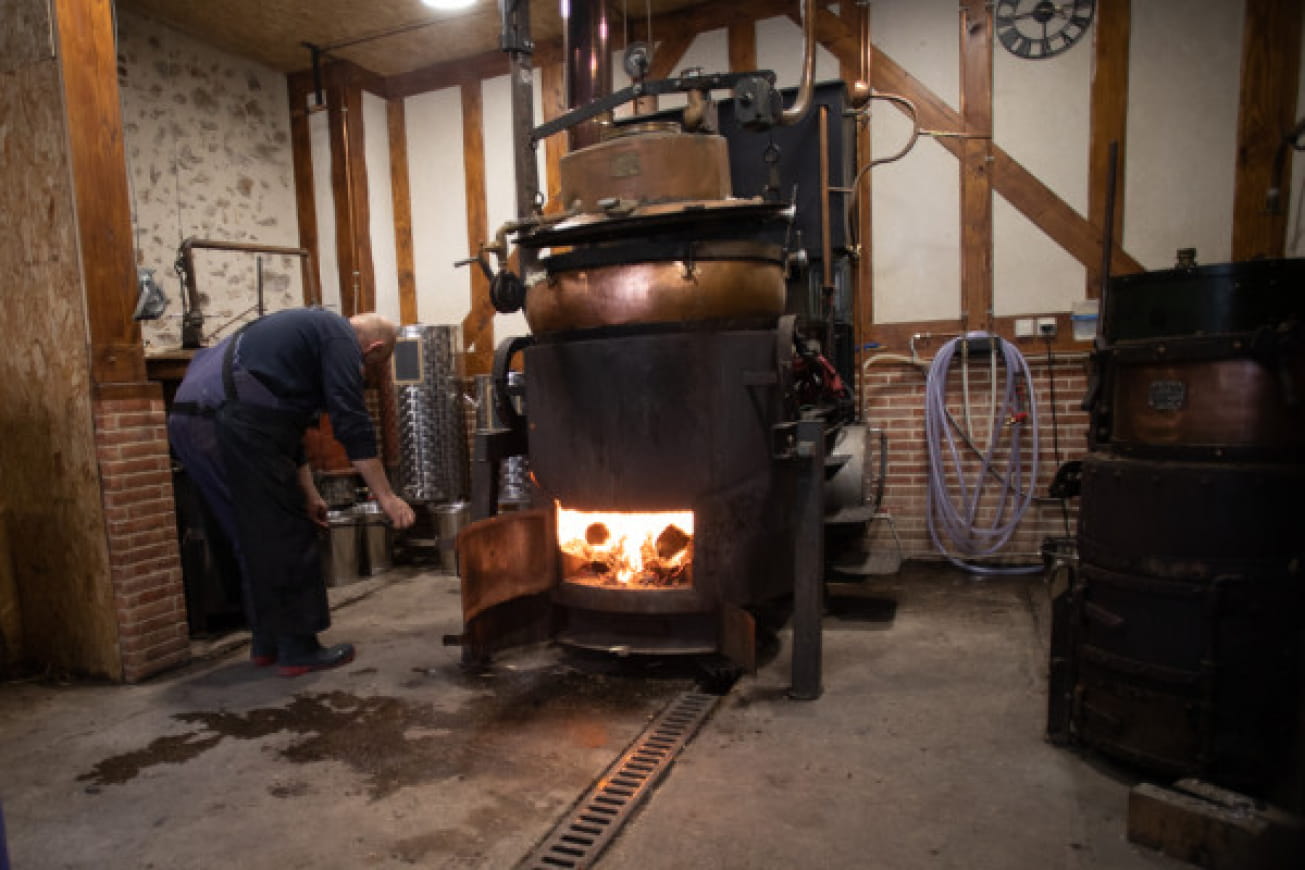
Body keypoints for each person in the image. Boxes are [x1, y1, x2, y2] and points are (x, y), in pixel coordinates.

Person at [168, 307, 416, 677]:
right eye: (370, 366)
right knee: (285, 532)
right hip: (235, 419)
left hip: (191, 420)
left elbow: (289, 428)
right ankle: (298, 649)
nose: (362, 373)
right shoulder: (339, 338)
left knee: (249, 533)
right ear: (374, 348)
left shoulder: (303, 336)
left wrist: (310, 494)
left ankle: (266, 640)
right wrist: (386, 497)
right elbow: (352, 422)